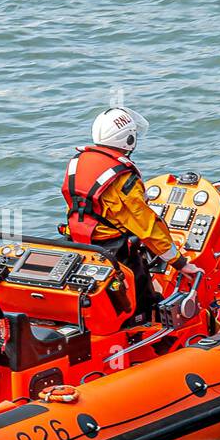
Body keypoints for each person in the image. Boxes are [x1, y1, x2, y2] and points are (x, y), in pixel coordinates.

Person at [61, 107, 196, 324]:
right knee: (144, 300)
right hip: (116, 252)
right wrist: (179, 263)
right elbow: (147, 226)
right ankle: (151, 335)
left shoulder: (78, 162)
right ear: (129, 139)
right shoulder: (122, 178)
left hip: (80, 243)